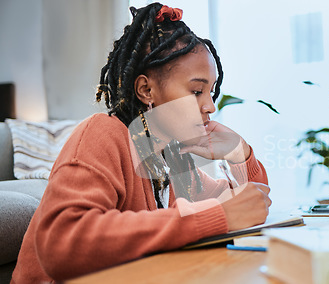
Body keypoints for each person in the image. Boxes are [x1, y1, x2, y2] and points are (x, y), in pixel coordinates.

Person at [11, 3, 271, 283]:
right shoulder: (103, 134)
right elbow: (61, 243)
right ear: (147, 90)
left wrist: (241, 154)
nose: (210, 106)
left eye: (211, 91)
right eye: (196, 91)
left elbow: (251, 203)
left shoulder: (172, 158)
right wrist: (213, 217)